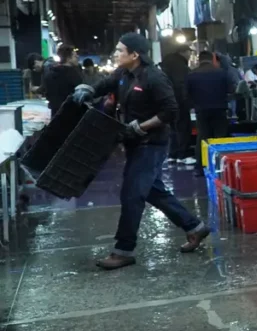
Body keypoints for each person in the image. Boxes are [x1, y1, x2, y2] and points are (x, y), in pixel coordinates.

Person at [72, 33, 210, 270]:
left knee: (132, 194)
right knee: (153, 191)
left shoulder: (154, 78)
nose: (115, 54)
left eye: (119, 50)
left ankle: (123, 250)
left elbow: (170, 111)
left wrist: (141, 127)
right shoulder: (123, 74)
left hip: (152, 144)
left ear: (134, 54)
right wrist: (87, 90)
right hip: (134, 144)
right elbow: (103, 86)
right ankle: (195, 227)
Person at [186, 51, 234, 176]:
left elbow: (186, 95)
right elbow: (231, 90)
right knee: (220, 138)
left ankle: (200, 168)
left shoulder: (191, 75)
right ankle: (221, 168)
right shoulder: (222, 73)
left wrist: (194, 105)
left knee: (202, 138)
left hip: (201, 110)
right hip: (220, 109)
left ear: (199, 59)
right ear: (212, 59)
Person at [160, 45, 192, 164]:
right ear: (183, 52)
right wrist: (187, 101)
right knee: (183, 127)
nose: (190, 55)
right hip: (179, 102)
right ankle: (182, 155)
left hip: (167, 102)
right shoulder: (180, 66)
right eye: (189, 51)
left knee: (173, 128)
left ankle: (172, 155)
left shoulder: (167, 63)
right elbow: (181, 85)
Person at [41, 44, 83, 112]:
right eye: (75, 56)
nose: (77, 57)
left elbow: (47, 94)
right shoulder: (74, 75)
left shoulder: (50, 73)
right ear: (68, 58)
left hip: (55, 114)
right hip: (71, 114)